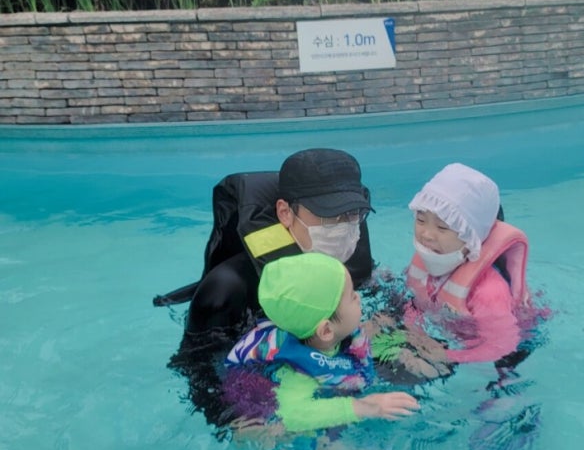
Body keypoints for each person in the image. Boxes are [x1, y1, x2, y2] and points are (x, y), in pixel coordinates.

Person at [153, 147, 374, 337]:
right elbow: (201, 370)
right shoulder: (224, 292)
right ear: (285, 213)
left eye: (351, 212)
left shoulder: (348, 252)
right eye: (327, 215)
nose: (343, 227)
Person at [221, 252, 420, 434]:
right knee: (291, 435)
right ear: (326, 331)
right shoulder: (296, 373)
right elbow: (294, 415)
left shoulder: (318, 333)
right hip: (267, 407)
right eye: (351, 296)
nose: (359, 297)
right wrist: (366, 407)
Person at [403, 162, 531, 364]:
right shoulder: (430, 259)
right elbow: (415, 303)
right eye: (420, 220)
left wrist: (446, 357)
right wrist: (413, 331)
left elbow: (502, 346)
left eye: (442, 227)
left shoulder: (489, 292)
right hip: (446, 335)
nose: (426, 234)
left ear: (471, 237)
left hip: (503, 354)